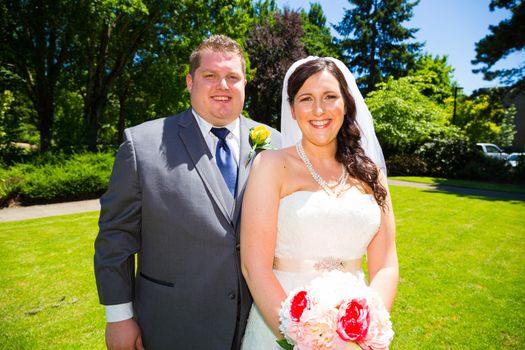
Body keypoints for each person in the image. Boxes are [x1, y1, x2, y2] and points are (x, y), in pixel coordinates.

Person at [94, 34, 281, 350]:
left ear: (245, 84)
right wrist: (119, 317)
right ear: (189, 81)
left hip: (260, 324)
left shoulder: (275, 143)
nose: (223, 85)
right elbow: (116, 238)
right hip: (173, 325)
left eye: (232, 77)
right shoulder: (142, 146)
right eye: (210, 75)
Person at [240, 57, 399, 349]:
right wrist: (303, 340)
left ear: (346, 103)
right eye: (306, 99)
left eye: (330, 97)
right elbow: (254, 267)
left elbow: (386, 265)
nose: (318, 110)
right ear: (292, 109)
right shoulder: (271, 165)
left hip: (355, 330)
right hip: (280, 323)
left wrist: (366, 327)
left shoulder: (372, 175)